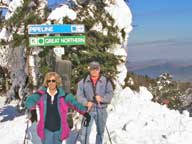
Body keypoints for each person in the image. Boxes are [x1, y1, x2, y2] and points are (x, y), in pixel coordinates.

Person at [25, 72, 91, 144]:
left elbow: (75, 104)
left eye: (53, 81)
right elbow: (30, 100)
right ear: (46, 82)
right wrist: (33, 110)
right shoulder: (41, 95)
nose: (51, 83)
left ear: (57, 82)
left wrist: (85, 112)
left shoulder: (64, 96)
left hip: (59, 131)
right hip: (46, 130)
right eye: (48, 81)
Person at [76, 61, 113, 144]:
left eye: (96, 69)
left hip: (101, 110)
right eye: (92, 69)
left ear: (99, 70)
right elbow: (79, 96)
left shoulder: (106, 81)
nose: (94, 71)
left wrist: (102, 99)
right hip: (89, 110)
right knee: (85, 133)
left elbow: (110, 94)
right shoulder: (83, 81)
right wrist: (85, 103)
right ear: (89, 70)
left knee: (100, 132)